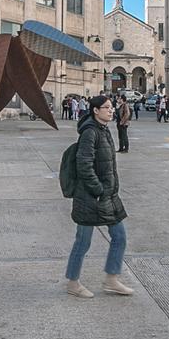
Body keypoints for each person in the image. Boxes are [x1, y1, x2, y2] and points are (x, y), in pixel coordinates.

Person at [64, 95, 132, 298]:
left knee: (119, 237)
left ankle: (111, 280)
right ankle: (73, 283)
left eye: (112, 107)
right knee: (83, 241)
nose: (111, 111)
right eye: (107, 108)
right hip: (90, 197)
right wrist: (98, 190)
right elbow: (83, 164)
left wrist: (108, 190)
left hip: (108, 197)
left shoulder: (104, 130)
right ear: (95, 110)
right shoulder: (90, 133)